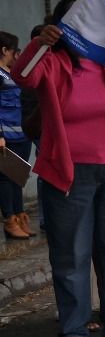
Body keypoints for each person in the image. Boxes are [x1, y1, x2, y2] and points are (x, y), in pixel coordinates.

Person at [15, 8, 105, 337]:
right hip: (68, 172)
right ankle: (74, 331)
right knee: (71, 253)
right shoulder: (53, 62)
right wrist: (39, 44)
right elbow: (22, 75)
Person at [1, 32, 33, 240]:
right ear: (4, 50)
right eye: (14, 51)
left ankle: (20, 216)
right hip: (6, 136)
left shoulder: (13, 72)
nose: (16, 55)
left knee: (18, 178)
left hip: (21, 134)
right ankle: (10, 219)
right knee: (5, 178)